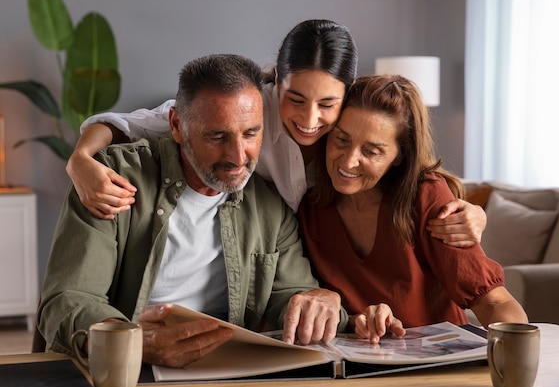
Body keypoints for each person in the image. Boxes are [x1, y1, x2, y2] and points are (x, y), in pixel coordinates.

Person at [38, 54, 347, 369]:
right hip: (122, 371)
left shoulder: (270, 207)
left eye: (251, 134)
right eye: (217, 136)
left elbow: (296, 297)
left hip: (222, 375)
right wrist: (132, 341)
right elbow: (67, 300)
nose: (238, 157)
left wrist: (325, 303)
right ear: (176, 125)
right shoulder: (112, 181)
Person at [66, 19, 486, 247]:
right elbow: (132, 122)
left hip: (330, 262)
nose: (310, 119)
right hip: (271, 255)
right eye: (296, 98)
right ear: (276, 83)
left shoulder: (354, 129)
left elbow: (407, 167)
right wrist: (81, 160)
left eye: (327, 104)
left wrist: (476, 213)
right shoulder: (252, 108)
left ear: (347, 95)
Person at [297, 75, 528, 344]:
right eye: (341, 140)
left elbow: (495, 303)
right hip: (349, 366)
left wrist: (511, 360)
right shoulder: (309, 205)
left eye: (371, 151)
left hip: (437, 366)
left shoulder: (426, 196)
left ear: (400, 156)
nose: (348, 161)